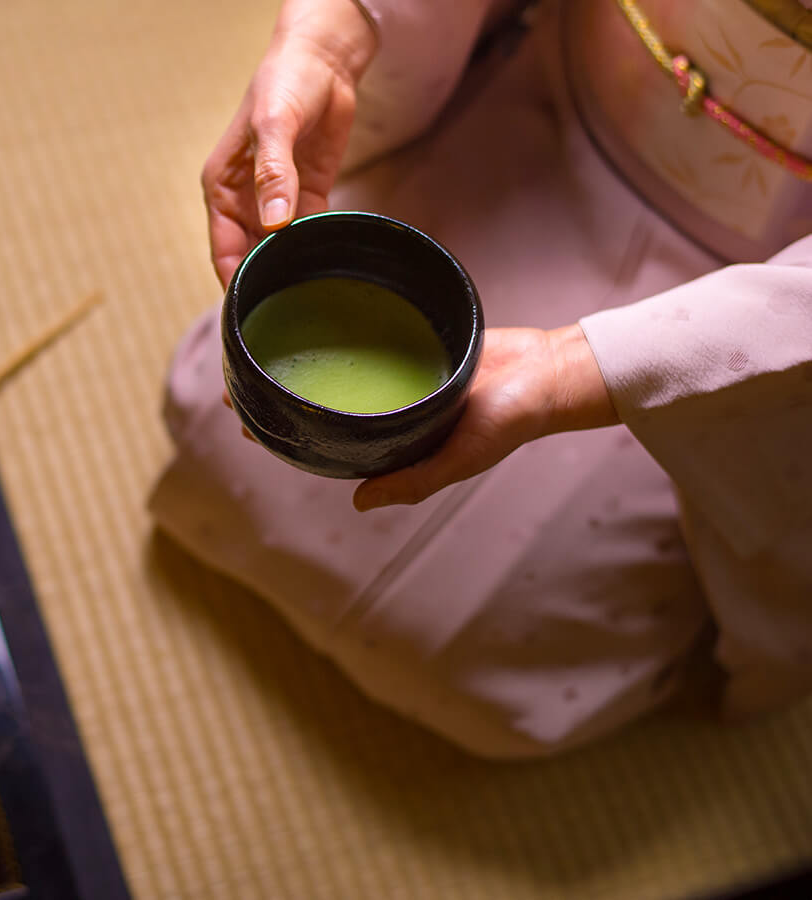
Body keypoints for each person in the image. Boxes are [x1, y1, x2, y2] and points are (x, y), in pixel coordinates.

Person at [148, 0, 812, 758]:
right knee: (218, 416)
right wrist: (337, 35)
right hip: (553, 132)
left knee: (488, 656)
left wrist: (583, 369)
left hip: (768, 304)